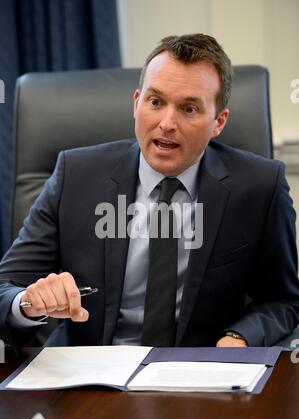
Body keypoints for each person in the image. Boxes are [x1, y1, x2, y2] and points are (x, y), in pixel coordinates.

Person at [0, 33, 298, 353]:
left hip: (202, 372)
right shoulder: (75, 174)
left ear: (218, 122)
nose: (167, 123)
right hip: (90, 378)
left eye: (189, 108)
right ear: (137, 103)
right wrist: (27, 303)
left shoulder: (260, 186)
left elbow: (283, 301)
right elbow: (5, 289)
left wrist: (239, 338)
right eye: (156, 102)